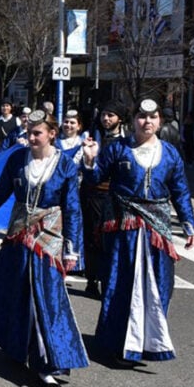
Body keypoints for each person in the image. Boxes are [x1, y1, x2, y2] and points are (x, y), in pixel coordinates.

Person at [0, 110, 87, 387]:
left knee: (46, 298)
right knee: (15, 292)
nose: (31, 137)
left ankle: (47, 363)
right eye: (28, 132)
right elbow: (2, 191)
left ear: (52, 134)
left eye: (37, 133)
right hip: (18, 235)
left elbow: (72, 209)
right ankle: (16, 348)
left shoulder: (65, 167)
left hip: (49, 238)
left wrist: (72, 250)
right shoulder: (16, 159)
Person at [82, 99, 194, 366]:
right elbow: (95, 178)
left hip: (157, 228)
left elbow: (180, 190)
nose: (147, 122)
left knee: (159, 285)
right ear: (133, 120)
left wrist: (189, 224)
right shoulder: (117, 149)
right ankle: (116, 344)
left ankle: (149, 343)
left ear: (160, 121)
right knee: (121, 285)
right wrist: (89, 161)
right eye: (142, 117)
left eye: (152, 117)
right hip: (124, 228)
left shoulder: (169, 154)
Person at [82, 99, 128, 299]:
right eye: (103, 115)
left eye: (110, 115)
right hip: (94, 194)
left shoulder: (127, 141)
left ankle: (108, 279)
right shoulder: (94, 138)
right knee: (93, 237)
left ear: (120, 118)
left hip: (117, 197)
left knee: (112, 240)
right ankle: (92, 281)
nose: (106, 119)